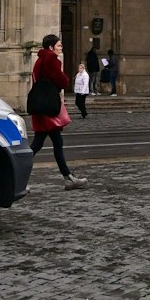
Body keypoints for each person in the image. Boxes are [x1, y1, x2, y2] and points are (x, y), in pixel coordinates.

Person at [28, 35, 87, 188]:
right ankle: (16, 176)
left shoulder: (39, 60)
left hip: (40, 106)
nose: (61, 48)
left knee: (43, 143)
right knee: (46, 143)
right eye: (59, 46)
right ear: (51, 47)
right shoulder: (51, 60)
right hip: (48, 107)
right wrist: (64, 80)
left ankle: (68, 177)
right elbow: (62, 81)